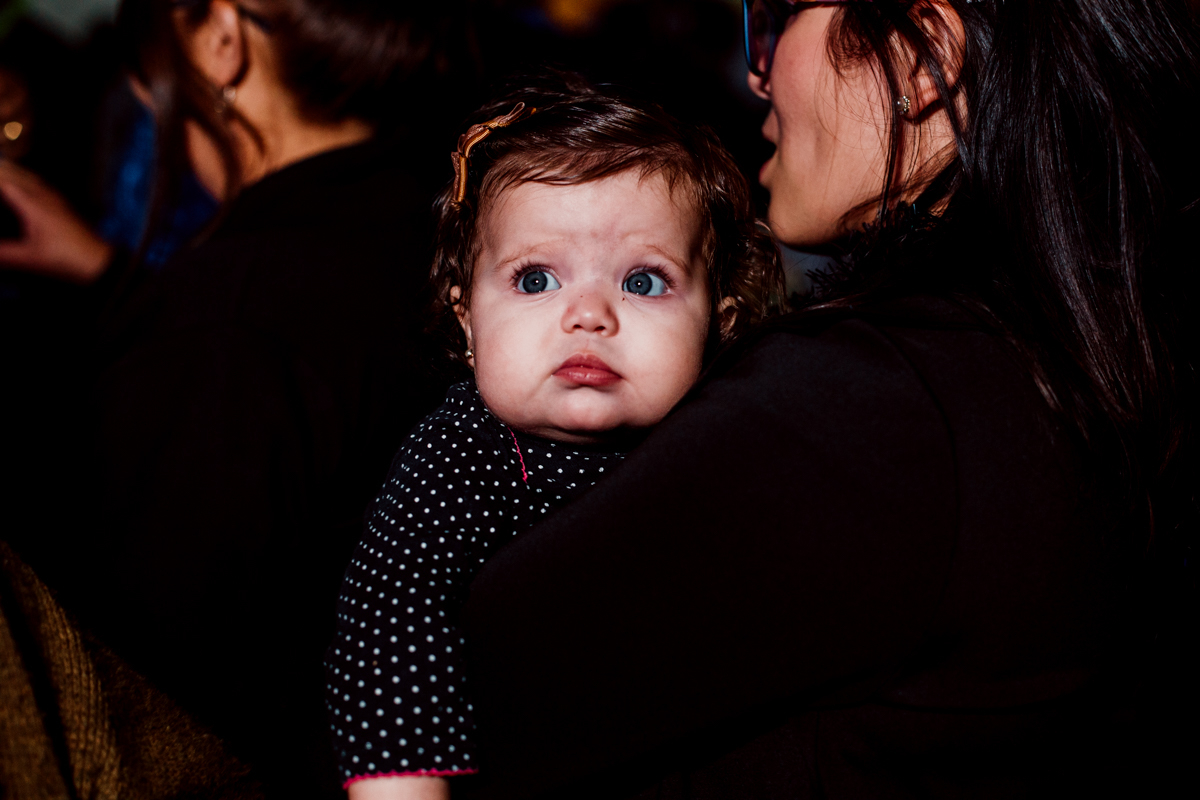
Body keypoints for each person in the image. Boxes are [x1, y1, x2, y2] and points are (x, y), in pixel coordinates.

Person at [450, 1, 1200, 798]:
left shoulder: (876, 410)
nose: (756, 69)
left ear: (923, 60)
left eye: (778, 16)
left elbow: (448, 702)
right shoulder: (1072, 364)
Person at [0, 1, 471, 796]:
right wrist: (120, 288)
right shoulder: (451, 235)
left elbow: (142, 714)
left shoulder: (228, 327)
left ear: (223, 36)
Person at [325, 81, 783, 800]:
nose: (589, 315)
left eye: (644, 280)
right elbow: (392, 621)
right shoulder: (463, 458)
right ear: (468, 322)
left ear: (719, 324)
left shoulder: (727, 442)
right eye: (536, 278)